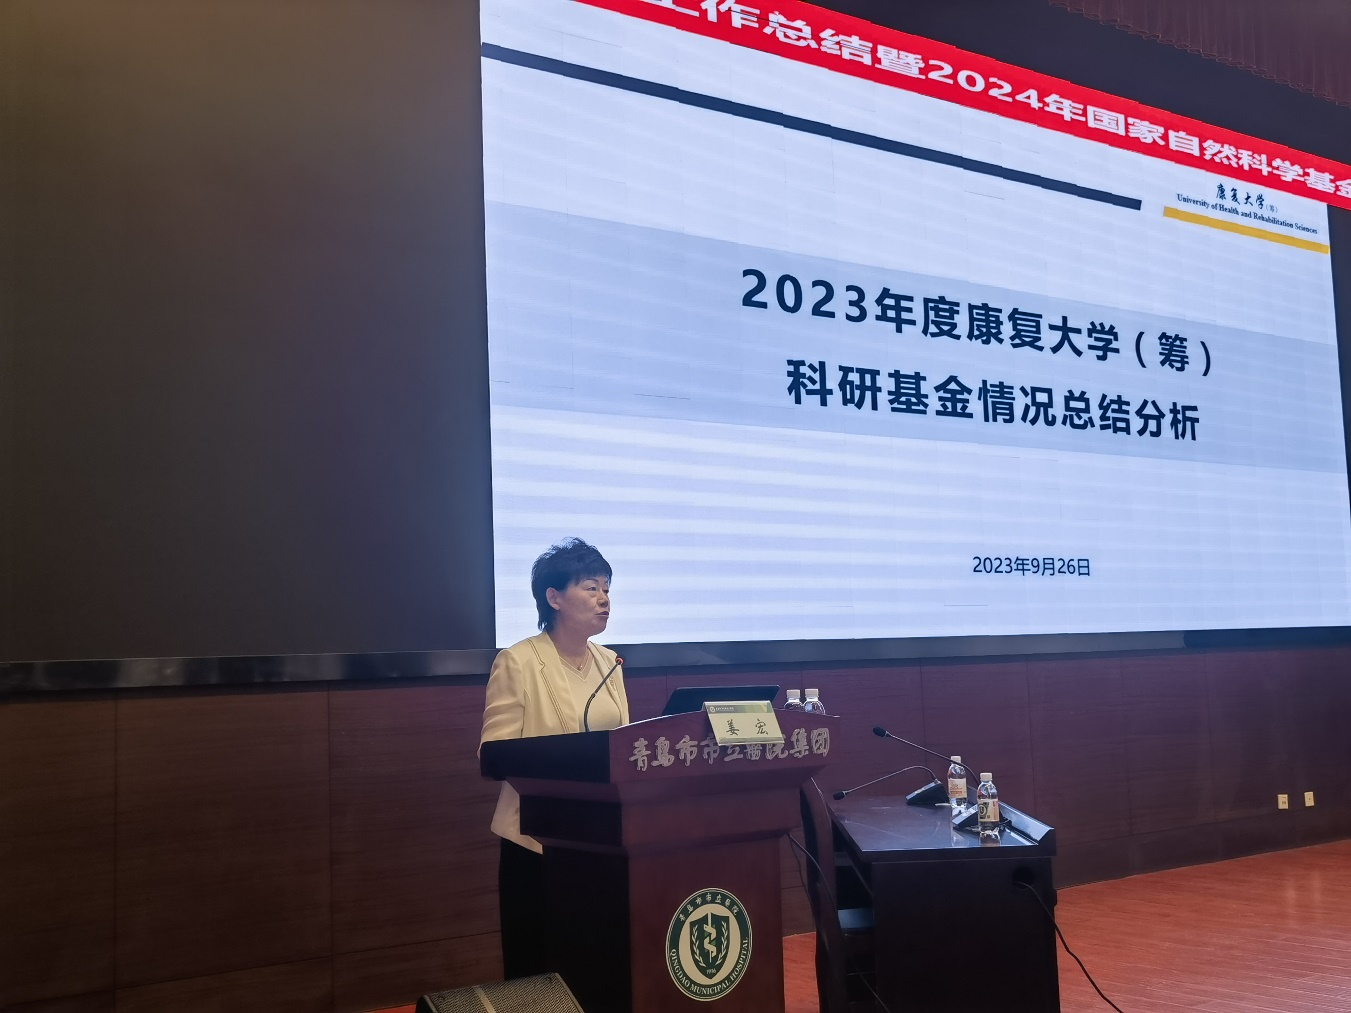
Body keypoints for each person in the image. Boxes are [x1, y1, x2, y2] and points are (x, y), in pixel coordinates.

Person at [479, 537, 629, 979]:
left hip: (601, 836)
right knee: (538, 967)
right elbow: (494, 754)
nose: (604, 599)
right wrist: (568, 758)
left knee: (598, 963)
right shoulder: (518, 662)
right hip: (535, 839)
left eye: (606, 588)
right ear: (554, 597)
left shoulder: (610, 663)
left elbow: (623, 746)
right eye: (591, 588)